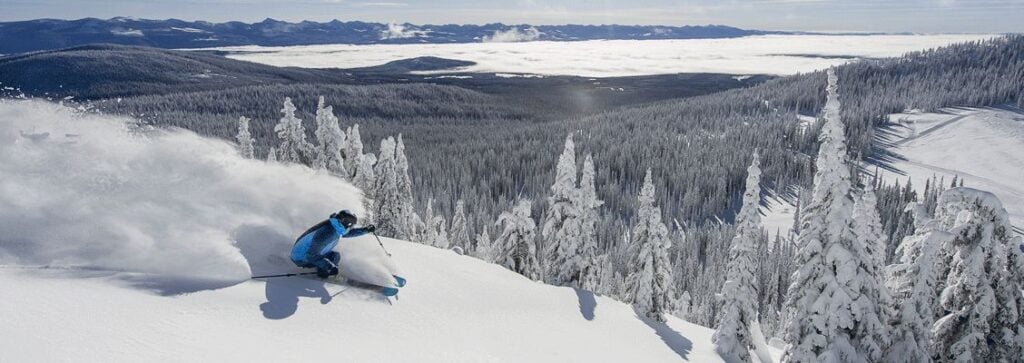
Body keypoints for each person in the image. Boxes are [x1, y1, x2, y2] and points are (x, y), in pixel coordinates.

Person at [291, 210, 375, 278]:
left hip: (303, 253)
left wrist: (365, 230)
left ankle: (323, 268)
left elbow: (346, 233)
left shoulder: (335, 225)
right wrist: (329, 267)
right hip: (301, 258)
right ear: (346, 223)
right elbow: (311, 255)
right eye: (351, 225)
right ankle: (323, 274)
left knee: (335, 256)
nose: (351, 227)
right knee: (334, 257)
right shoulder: (327, 233)